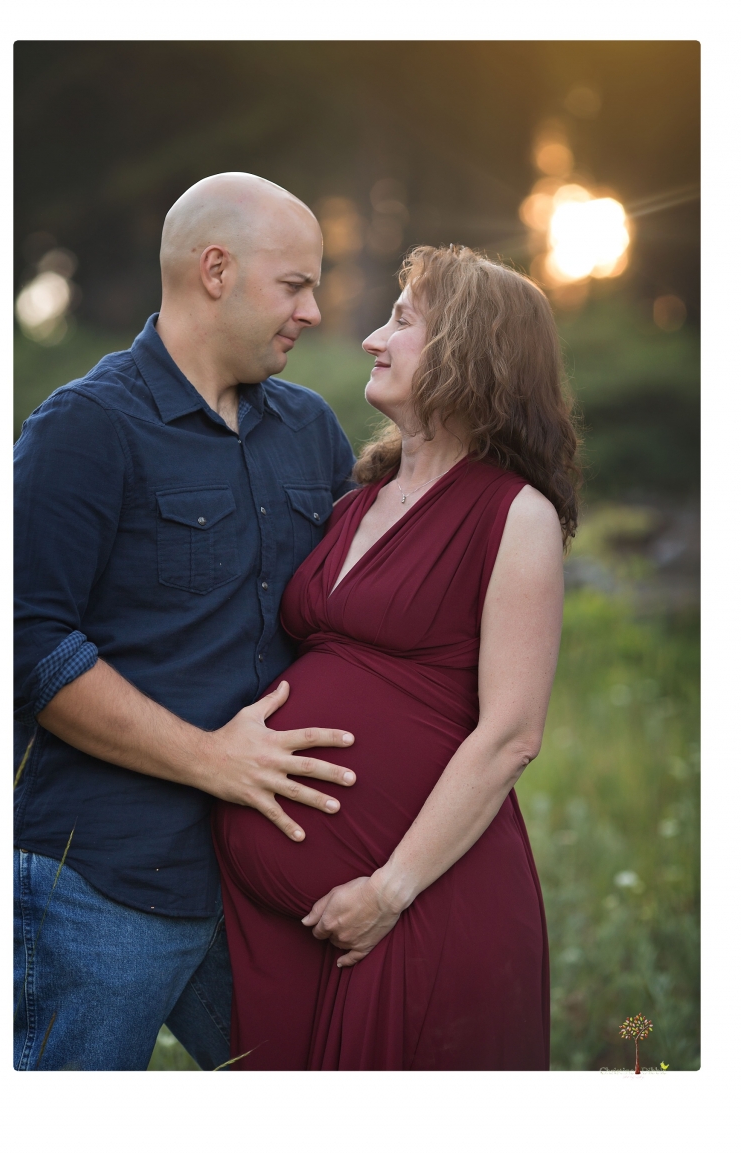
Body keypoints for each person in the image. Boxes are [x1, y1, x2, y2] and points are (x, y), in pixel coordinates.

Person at [13, 173, 360, 1071]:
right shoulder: (84, 429)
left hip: (265, 879)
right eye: (295, 285)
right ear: (216, 270)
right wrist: (210, 759)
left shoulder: (312, 432)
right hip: (101, 887)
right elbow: (25, 643)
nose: (315, 311)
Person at [212, 244, 580, 1070]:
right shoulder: (358, 500)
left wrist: (388, 890)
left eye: (402, 322)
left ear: (469, 353)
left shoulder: (512, 515)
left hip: (416, 911)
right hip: (290, 932)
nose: (374, 339)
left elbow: (512, 735)